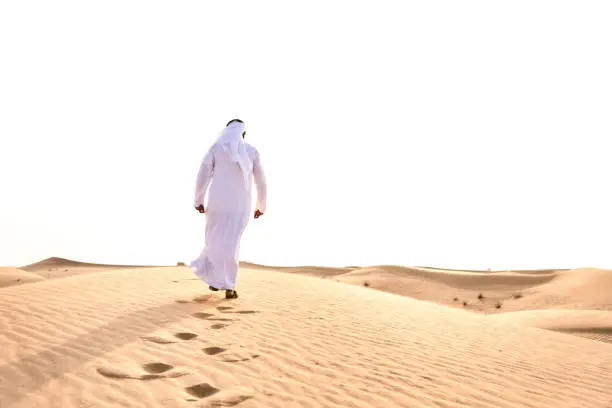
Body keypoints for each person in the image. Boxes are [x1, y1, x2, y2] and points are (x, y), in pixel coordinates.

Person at [190, 119, 267, 299]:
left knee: (215, 240)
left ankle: (218, 281)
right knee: (232, 243)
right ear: (243, 133)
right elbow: (261, 181)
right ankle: (227, 284)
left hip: (218, 203)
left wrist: (198, 200)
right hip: (240, 207)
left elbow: (203, 174)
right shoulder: (252, 152)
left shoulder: (216, 148)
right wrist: (260, 206)